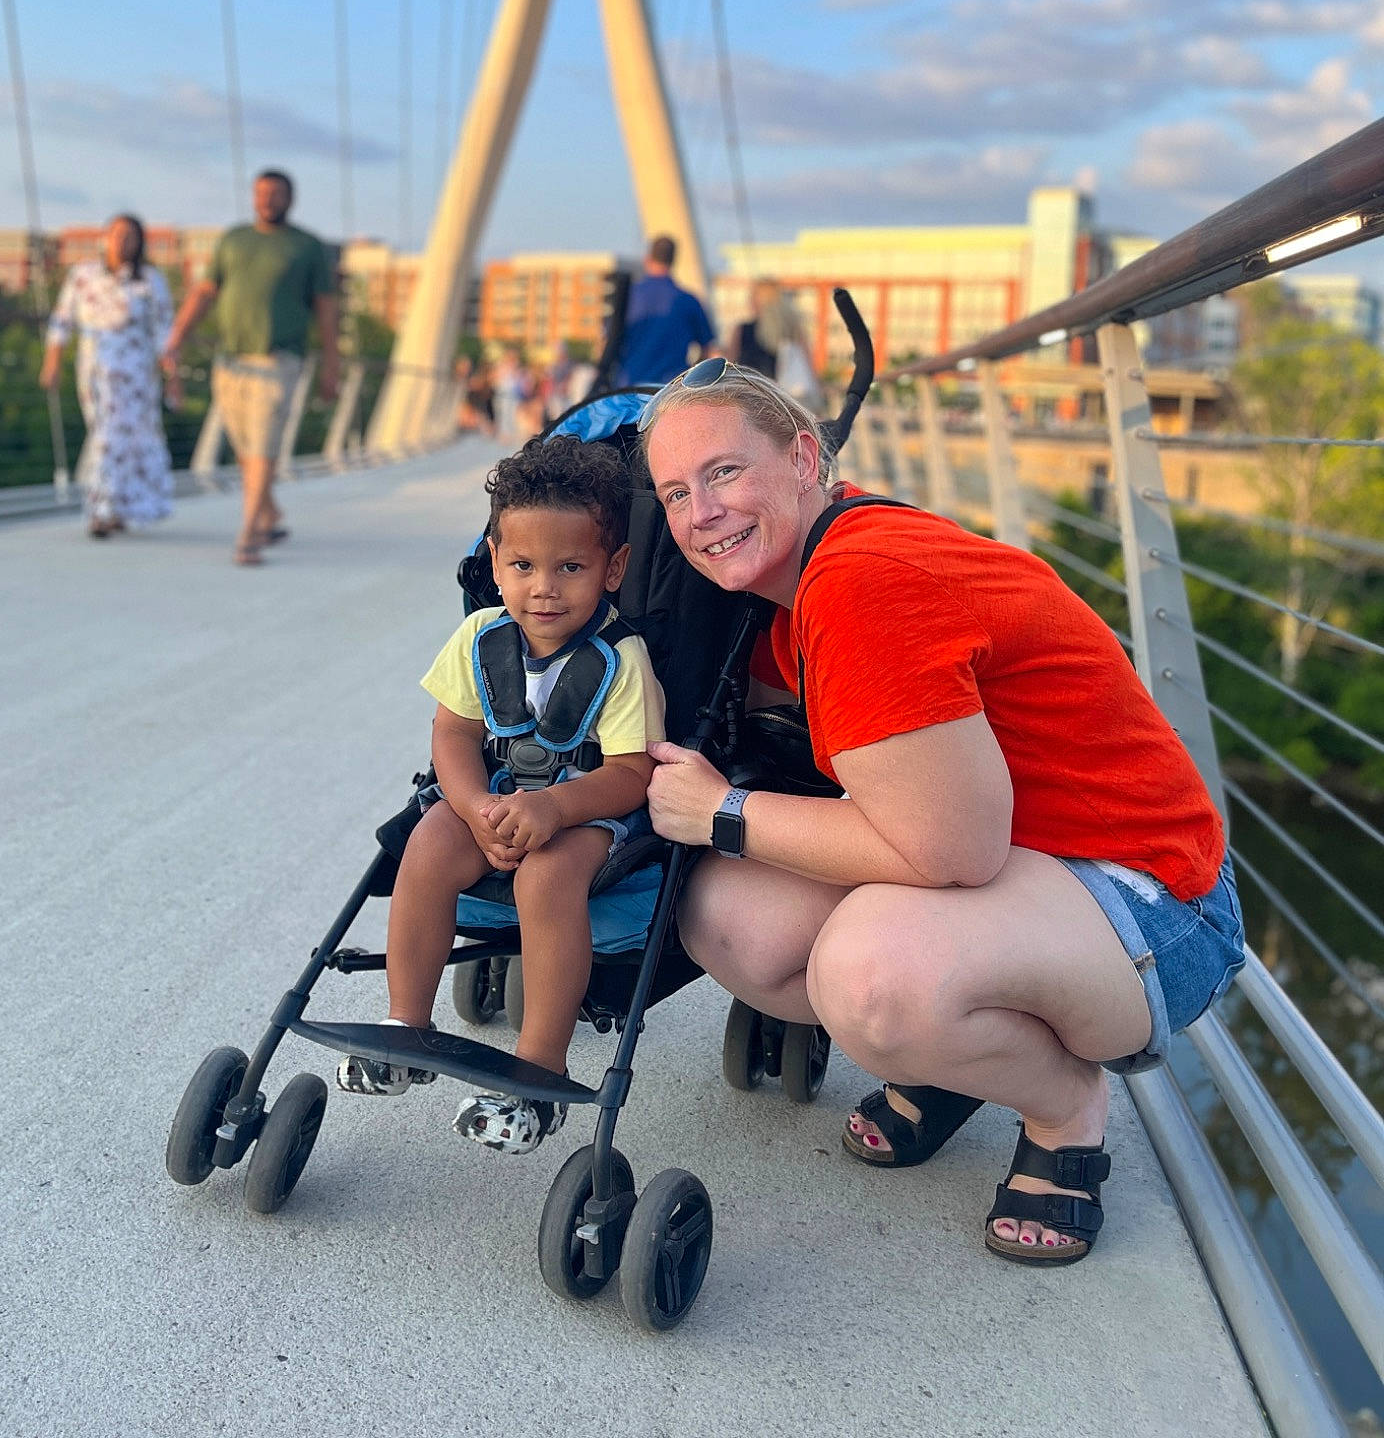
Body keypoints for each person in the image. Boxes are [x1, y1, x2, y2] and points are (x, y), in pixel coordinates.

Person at [638, 361, 1243, 1265]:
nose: (701, 513)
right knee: (734, 923)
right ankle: (961, 1061)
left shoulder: (862, 581)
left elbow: (948, 852)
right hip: (1021, 877)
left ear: (806, 456)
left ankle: (1063, 1106)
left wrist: (723, 811)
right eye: (676, 492)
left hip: (1149, 897)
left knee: (874, 980)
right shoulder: (796, 595)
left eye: (725, 472)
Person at [337, 434, 665, 1154]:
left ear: (613, 569)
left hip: (589, 812)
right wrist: (470, 806)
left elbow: (630, 775)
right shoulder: (480, 639)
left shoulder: (622, 660)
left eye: (570, 567)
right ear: (494, 561)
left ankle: (539, 1063)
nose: (543, 586)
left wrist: (552, 809)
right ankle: (404, 1024)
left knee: (548, 876)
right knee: (425, 841)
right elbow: (452, 738)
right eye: (522, 565)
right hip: (493, 799)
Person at [163, 169, 338, 566]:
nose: (267, 200)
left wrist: (332, 366)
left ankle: (250, 533)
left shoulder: (306, 247)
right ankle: (269, 512)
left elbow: (326, 309)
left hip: (278, 358)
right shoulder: (234, 238)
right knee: (245, 448)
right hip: (229, 359)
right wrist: (176, 337)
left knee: (261, 445)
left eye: (276, 193)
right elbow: (207, 291)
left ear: (290, 199)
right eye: (261, 193)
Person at [39, 214, 176, 539]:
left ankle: (113, 510)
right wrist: (52, 361)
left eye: (130, 236)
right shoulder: (82, 275)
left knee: (131, 441)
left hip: (138, 374)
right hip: (96, 368)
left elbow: (164, 331)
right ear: (105, 238)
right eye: (117, 234)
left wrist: (173, 376)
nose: (122, 241)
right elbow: (62, 320)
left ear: (140, 242)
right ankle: (102, 508)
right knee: (104, 436)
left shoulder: (150, 280)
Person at [613, 236, 717, 387]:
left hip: (628, 389)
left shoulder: (627, 297)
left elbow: (607, 342)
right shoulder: (688, 300)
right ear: (673, 260)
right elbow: (708, 349)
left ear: (647, 259)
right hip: (671, 390)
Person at [727, 279, 819, 406]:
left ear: (758, 300)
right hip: (785, 400)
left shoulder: (743, 330)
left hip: (749, 399)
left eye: (753, 296)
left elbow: (730, 366)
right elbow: (808, 365)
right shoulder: (792, 330)